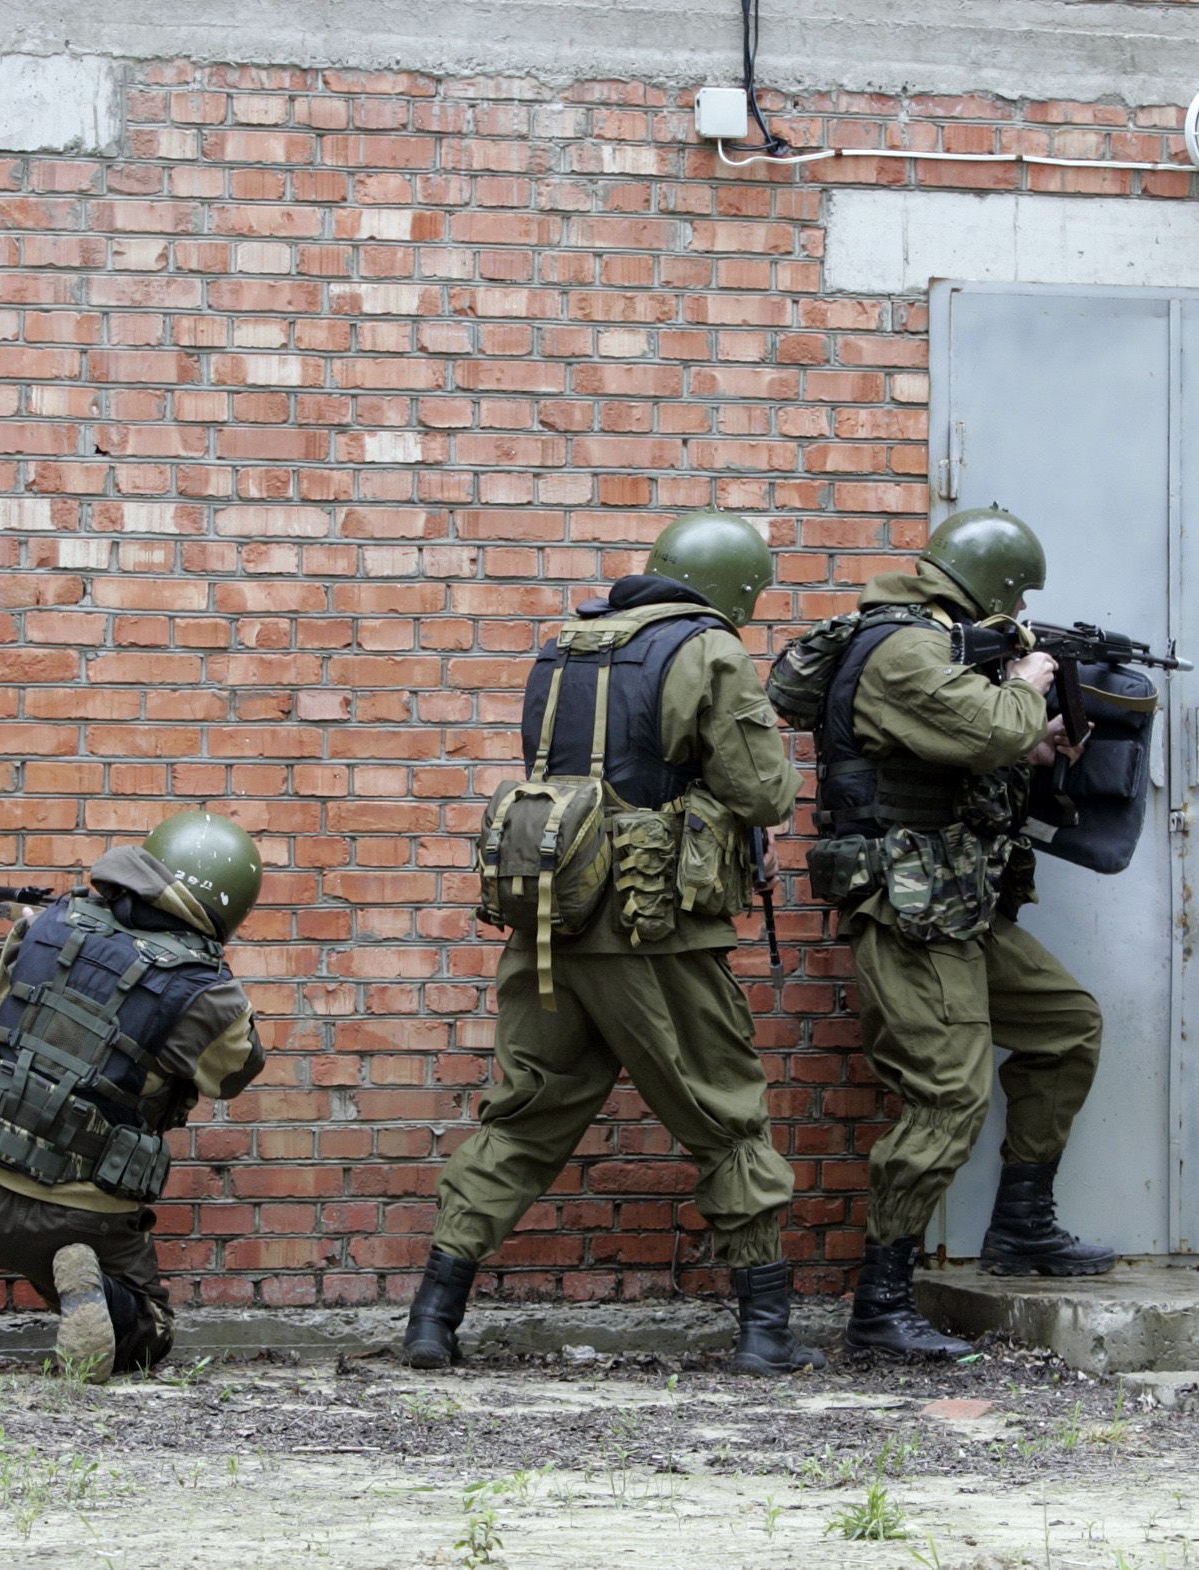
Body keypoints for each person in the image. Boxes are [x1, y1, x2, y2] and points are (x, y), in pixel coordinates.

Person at [402, 510, 820, 1376]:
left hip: (552, 923)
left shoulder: (565, 643)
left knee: (523, 1118)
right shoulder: (709, 650)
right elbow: (765, 790)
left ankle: (432, 1322)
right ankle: (766, 1333)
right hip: (655, 933)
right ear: (738, 587)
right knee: (725, 1115)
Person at [805, 507, 1117, 1362]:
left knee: (1066, 1027)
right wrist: (1035, 681)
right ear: (996, 585)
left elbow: (966, 747)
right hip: (909, 909)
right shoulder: (906, 646)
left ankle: (1022, 1225)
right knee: (948, 1095)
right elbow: (991, 727)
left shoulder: (938, 640)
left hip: (957, 897)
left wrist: (1033, 750)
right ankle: (880, 1306)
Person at [0, 812, 266, 1378]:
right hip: (77, 1220)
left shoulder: (51, 923)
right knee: (151, 1332)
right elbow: (234, 1076)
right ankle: (95, 1293)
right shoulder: (207, 992)